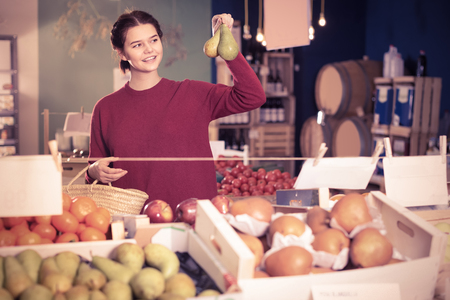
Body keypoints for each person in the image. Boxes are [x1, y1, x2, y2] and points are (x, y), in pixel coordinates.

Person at [85, 9, 266, 213]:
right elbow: (95, 170)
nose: (149, 50)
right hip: (135, 223)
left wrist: (228, 47)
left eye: (153, 40)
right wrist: (93, 171)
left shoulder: (192, 93)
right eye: (137, 45)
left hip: (195, 219)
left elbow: (253, 96)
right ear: (122, 53)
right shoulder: (105, 108)